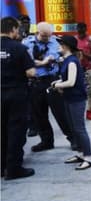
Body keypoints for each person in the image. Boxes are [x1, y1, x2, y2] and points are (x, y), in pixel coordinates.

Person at [1, 16, 36, 179]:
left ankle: (1, 167)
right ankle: (14, 168)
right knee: (16, 130)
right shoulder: (19, 48)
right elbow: (31, 72)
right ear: (13, 29)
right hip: (16, 94)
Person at [52, 35, 91, 171]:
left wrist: (57, 85)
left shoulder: (71, 62)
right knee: (74, 127)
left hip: (76, 99)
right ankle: (81, 154)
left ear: (66, 46)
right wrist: (57, 83)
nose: (58, 46)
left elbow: (71, 82)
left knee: (79, 129)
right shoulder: (67, 60)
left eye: (60, 44)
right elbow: (67, 80)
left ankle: (88, 158)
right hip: (69, 98)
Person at [23, 22, 61, 152]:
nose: (47, 39)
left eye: (49, 36)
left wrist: (40, 62)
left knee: (60, 112)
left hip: (51, 80)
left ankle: (73, 139)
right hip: (35, 81)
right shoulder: (27, 43)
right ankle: (46, 141)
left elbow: (53, 57)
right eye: (44, 36)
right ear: (37, 32)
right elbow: (26, 61)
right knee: (39, 114)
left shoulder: (54, 42)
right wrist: (43, 62)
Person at [75, 22, 91, 121]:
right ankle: (78, 112)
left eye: (82, 30)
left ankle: (90, 111)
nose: (80, 32)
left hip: (89, 69)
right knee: (79, 92)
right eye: (78, 30)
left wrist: (83, 53)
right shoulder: (74, 40)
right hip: (77, 70)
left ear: (85, 30)